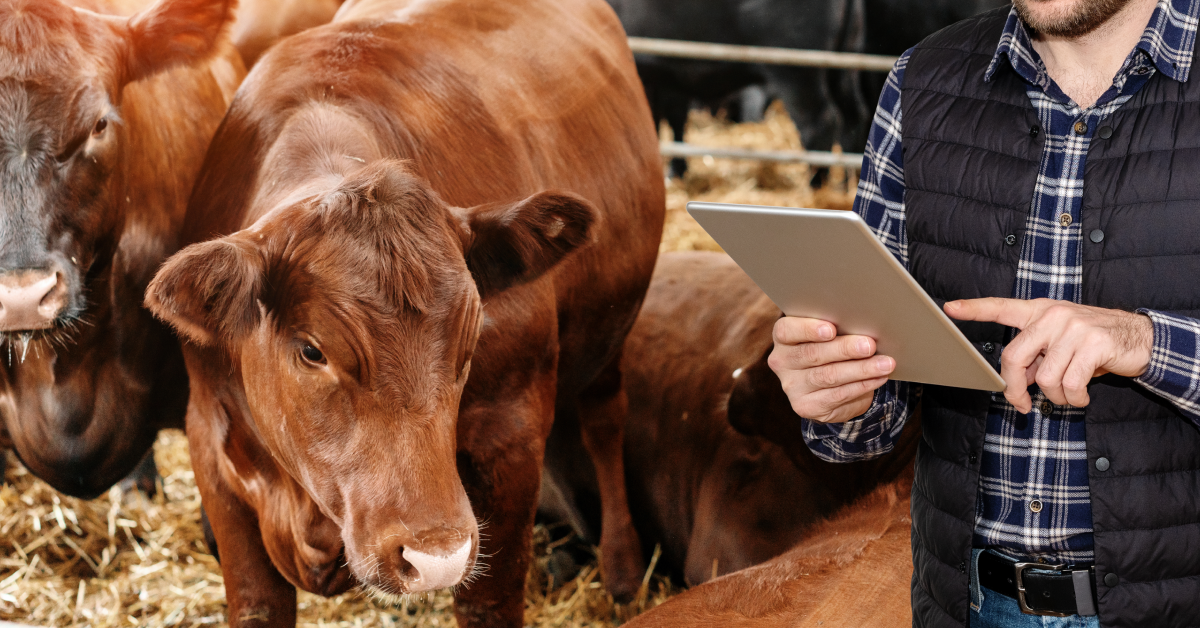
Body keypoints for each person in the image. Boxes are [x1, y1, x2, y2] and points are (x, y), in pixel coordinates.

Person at [767, 0, 1200, 625]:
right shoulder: (921, 80)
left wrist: (1146, 342)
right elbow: (871, 416)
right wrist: (837, 389)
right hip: (971, 603)